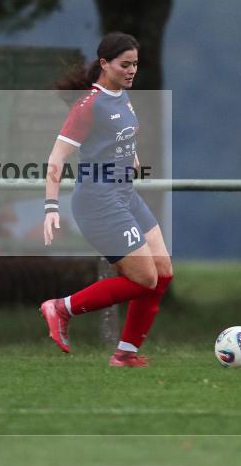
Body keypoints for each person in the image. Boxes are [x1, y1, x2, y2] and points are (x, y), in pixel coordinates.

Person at [41, 32, 173, 367]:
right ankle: (60, 308)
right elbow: (56, 159)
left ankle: (125, 354)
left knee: (163, 271)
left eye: (135, 65)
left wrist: (132, 161)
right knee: (144, 279)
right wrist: (51, 206)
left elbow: (121, 137)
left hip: (125, 194)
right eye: (124, 65)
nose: (132, 71)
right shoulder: (90, 104)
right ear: (104, 64)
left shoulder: (121, 96)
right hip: (98, 202)